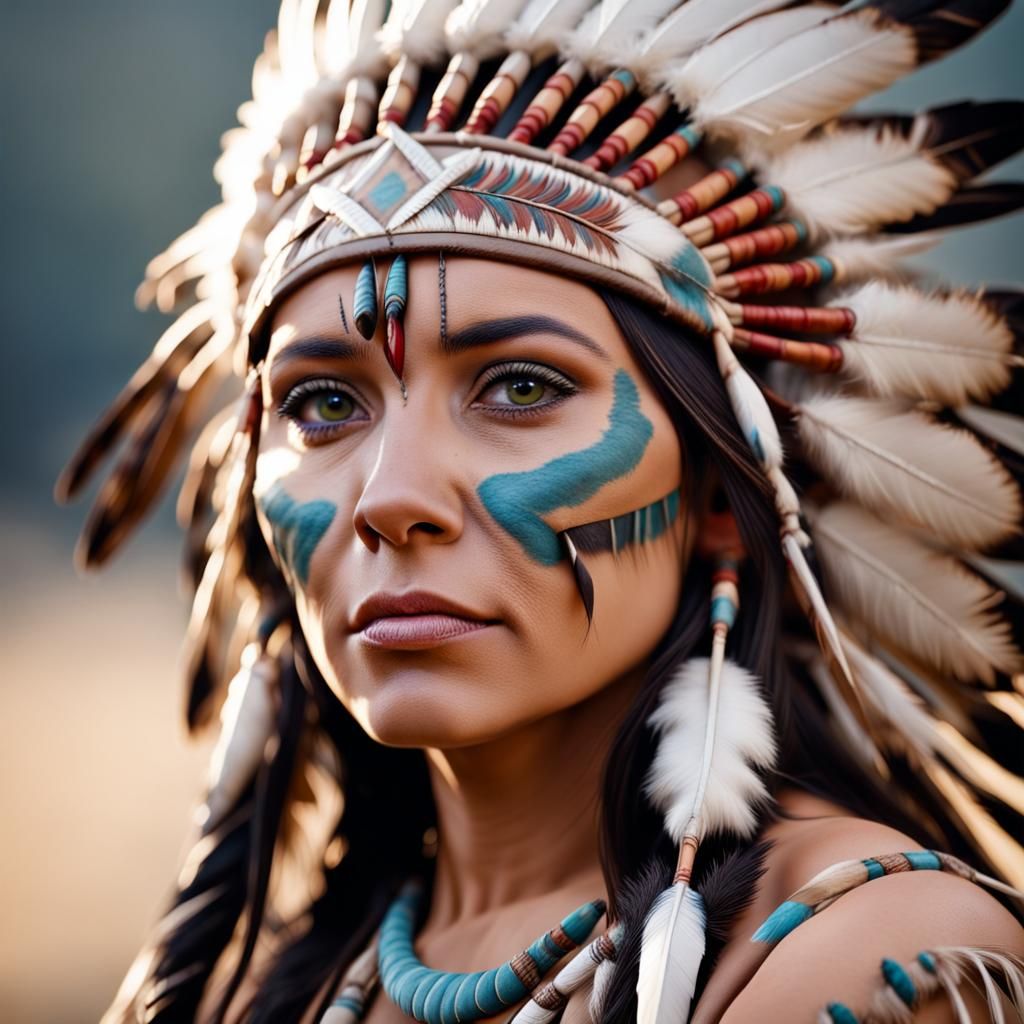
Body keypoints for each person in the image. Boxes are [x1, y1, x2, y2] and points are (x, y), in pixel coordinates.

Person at [59, 1, 1024, 1021]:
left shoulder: (868, 954)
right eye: (324, 403)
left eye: (519, 387)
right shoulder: (269, 991)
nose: (392, 499)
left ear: (719, 494)